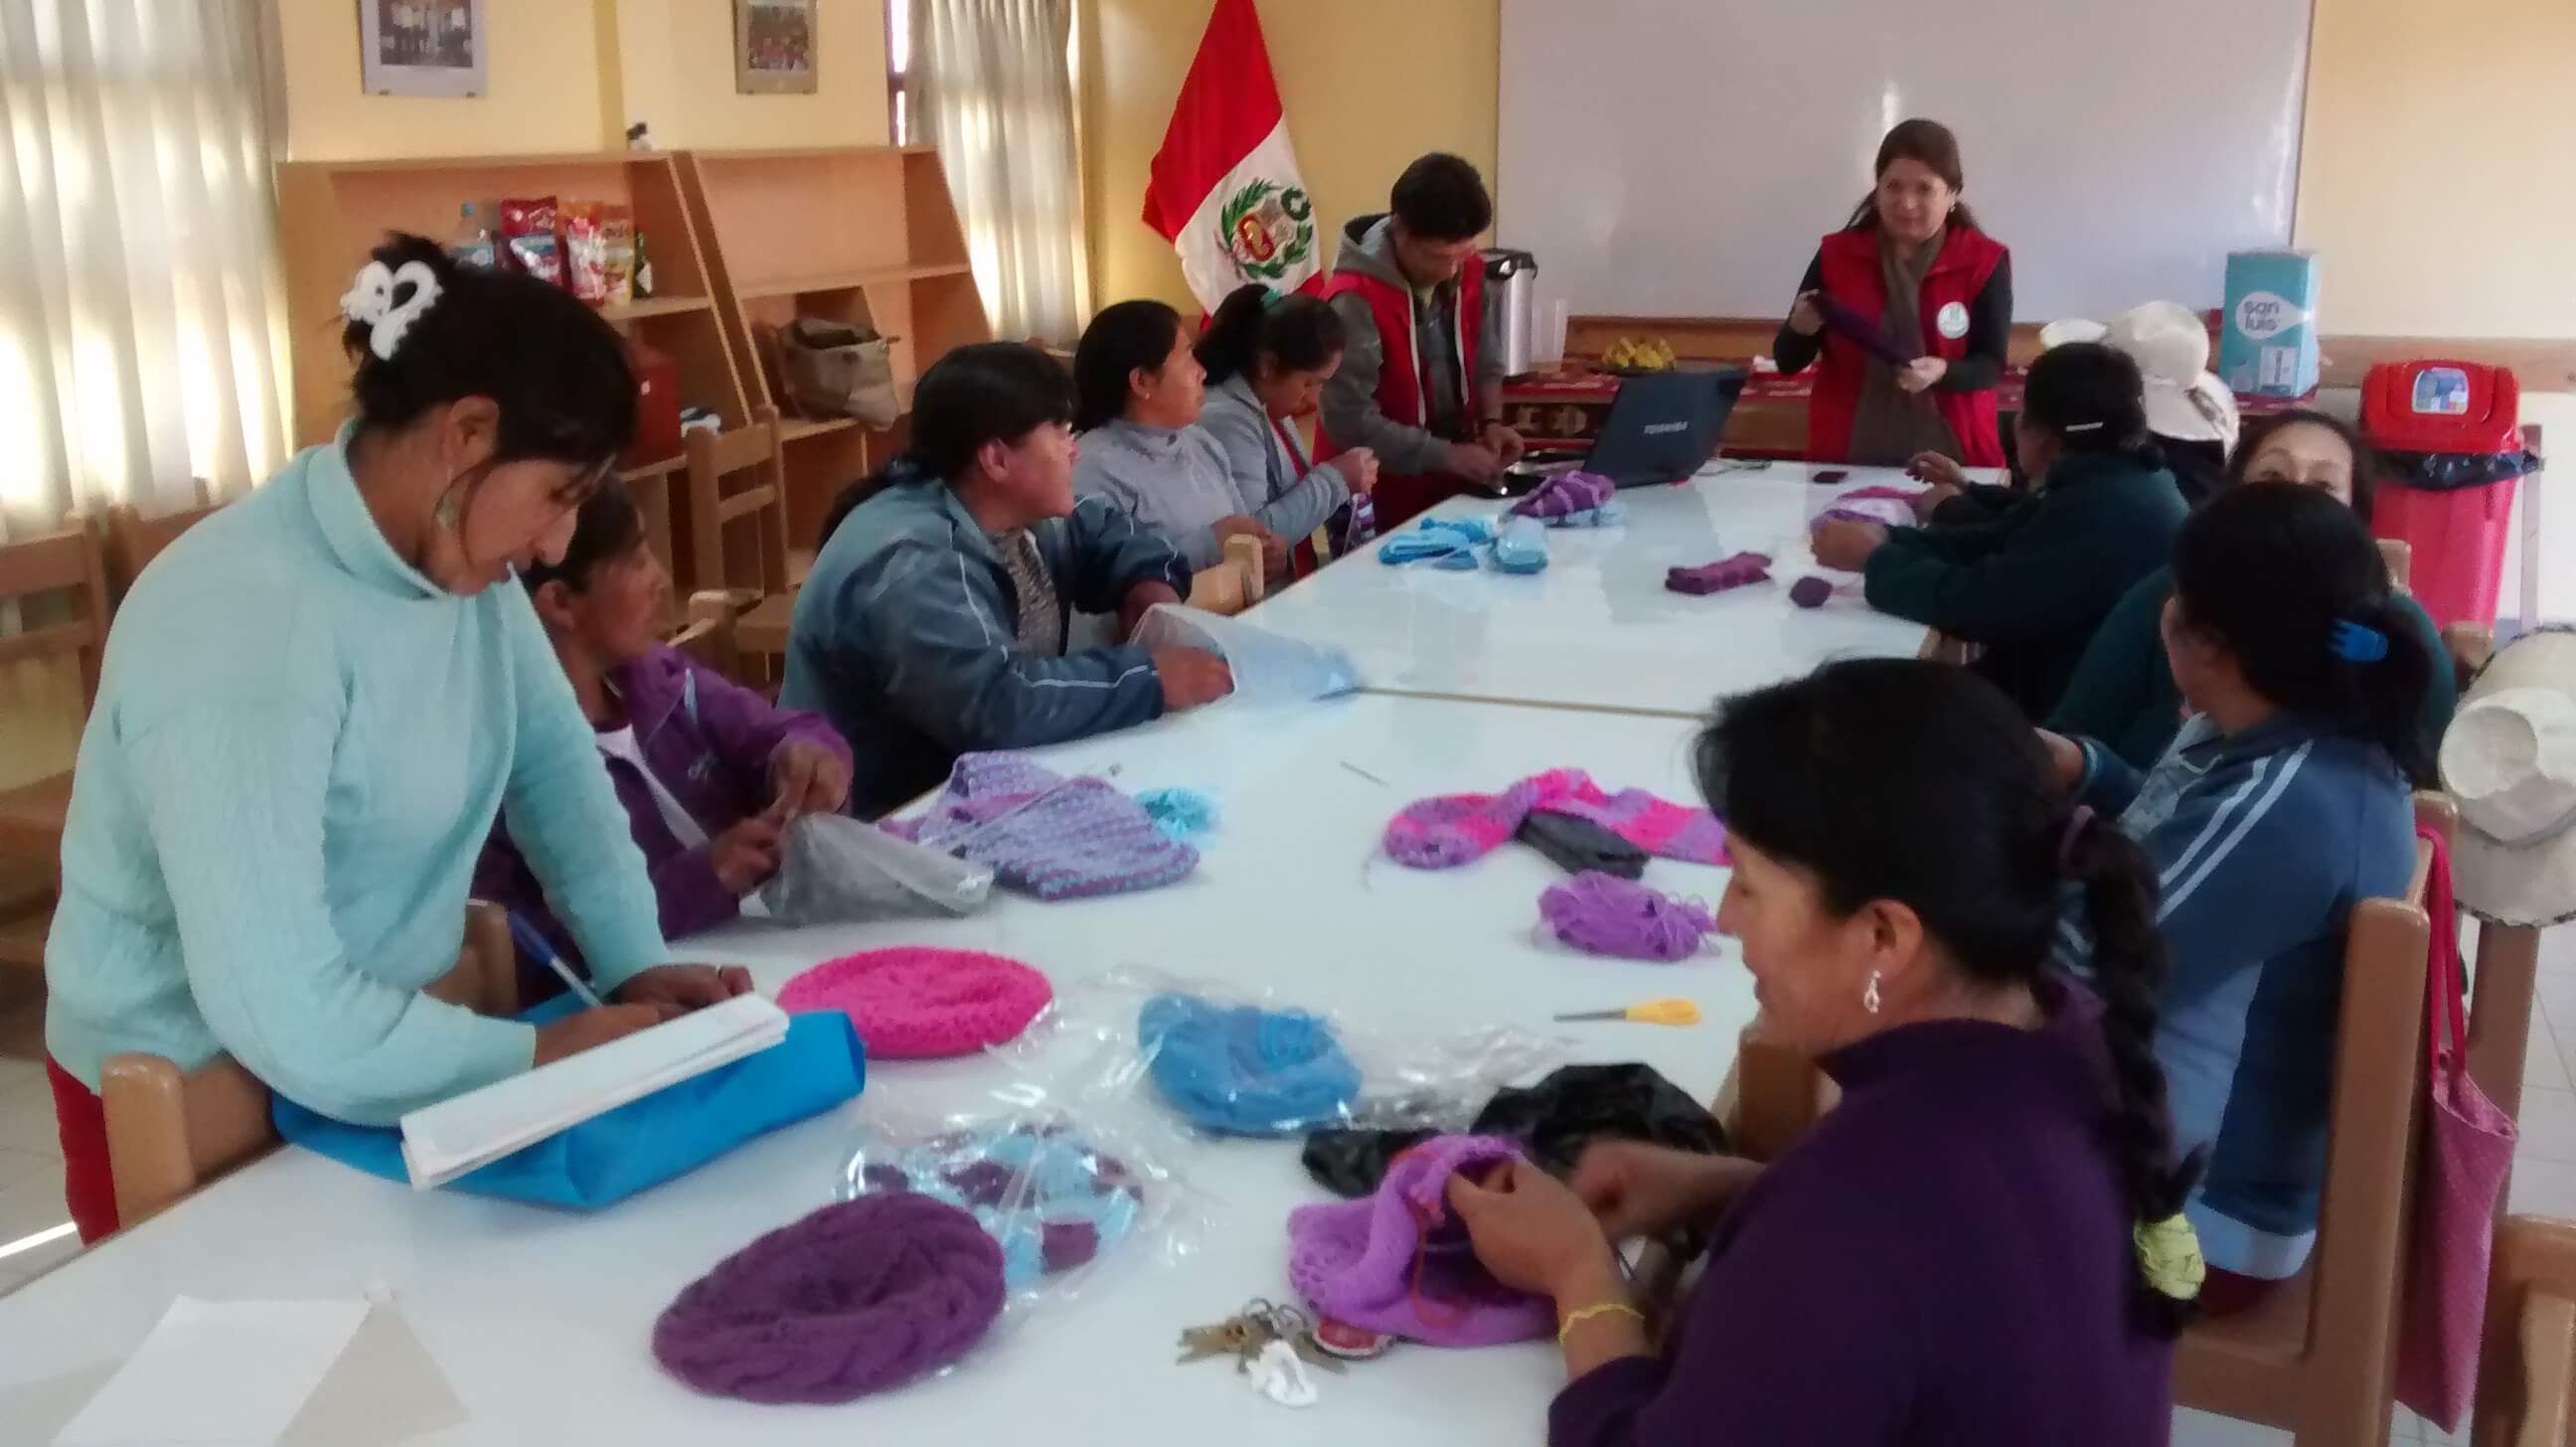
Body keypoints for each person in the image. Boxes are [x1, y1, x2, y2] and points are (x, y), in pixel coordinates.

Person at [42, 235, 748, 1243]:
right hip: (193, 1095)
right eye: (559, 494)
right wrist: (544, 1059)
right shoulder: (246, 624)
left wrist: (635, 960)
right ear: (467, 433)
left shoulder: (464, 573)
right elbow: (278, 1007)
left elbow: (561, 785)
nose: (556, 545)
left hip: (372, 1049)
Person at [1445, 658, 2193, 1445]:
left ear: (1883, 936)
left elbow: (1875, 1256)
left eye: (1748, 886)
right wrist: (1734, 1190)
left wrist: (1577, 1276)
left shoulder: (1854, 1214)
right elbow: (1951, 1279)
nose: (1725, 918)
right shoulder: (2070, 1032)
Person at [2042, 483, 2430, 1308]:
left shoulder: (2288, 802)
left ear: (2208, 642)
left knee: (1881, 1140)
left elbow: (2080, 969)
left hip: (2196, 1220)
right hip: (2207, 1160)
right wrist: (2093, 771)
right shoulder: (2293, 729)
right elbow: (2185, 840)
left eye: (2174, 591)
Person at [782, 342, 1232, 818]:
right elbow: (996, 705)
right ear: (996, 460)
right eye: (1059, 432)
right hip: (884, 825)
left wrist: (1148, 585)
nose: (1074, 449)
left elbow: (1104, 529)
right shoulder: (912, 561)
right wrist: (1149, 678)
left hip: (975, 794)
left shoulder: (1010, 508)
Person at [472, 482, 853, 993]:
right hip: (679, 996)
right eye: (635, 561)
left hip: (775, 956)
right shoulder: (503, 772)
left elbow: (782, 731)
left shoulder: (661, 679)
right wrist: (699, 880)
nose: (661, 580)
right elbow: (512, 959)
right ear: (560, 602)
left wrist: (810, 756)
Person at [2050, 408, 2456, 769]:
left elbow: (2425, 784)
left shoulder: (2391, 633)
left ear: (2356, 517)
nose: (2291, 494)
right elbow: (2080, 726)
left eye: (2323, 486)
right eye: (2271, 475)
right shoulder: (2172, 591)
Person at [1813, 341, 2186, 720]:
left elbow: (1983, 602)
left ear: (2038, 431)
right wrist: (1893, 539)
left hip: (2079, 720)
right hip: (2059, 673)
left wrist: (1875, 560)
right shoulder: (2120, 477)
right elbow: (2000, 537)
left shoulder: (2107, 507)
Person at [1774, 118, 2012, 469]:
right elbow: (1788, 360)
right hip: (1848, 455)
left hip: (1954, 458)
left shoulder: (1983, 261)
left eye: (1924, 189)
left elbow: (1989, 365)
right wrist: (1800, 328)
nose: (1906, 202)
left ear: (1952, 195)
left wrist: (1942, 371)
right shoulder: (1837, 255)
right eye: (1893, 186)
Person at [1318, 152, 1523, 528]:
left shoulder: (1469, 271)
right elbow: (1348, 420)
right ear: (1400, 229)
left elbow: (1487, 359)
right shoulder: (1353, 299)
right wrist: (1446, 455)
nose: (1451, 270)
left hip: (1447, 487)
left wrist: (1491, 421)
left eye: (1463, 254)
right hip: (1376, 496)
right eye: (1440, 257)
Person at [1911, 300, 2239, 524]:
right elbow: (2050, 509)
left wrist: (1950, 508)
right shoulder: (2152, 459)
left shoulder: (2137, 473)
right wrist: (1969, 487)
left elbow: (2047, 533)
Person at [1070, 298, 1288, 579]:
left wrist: (1265, 552)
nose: (1202, 371)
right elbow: (1101, 595)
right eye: (1188, 357)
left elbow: (1244, 534)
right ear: (1142, 382)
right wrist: (1210, 545)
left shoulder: (1202, 443)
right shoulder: (1095, 471)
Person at [1195, 283, 1380, 573]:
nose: (1315, 398)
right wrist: (1337, 479)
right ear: (1268, 365)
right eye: (1309, 383)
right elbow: (1254, 538)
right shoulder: (1227, 420)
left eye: (1323, 383)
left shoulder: (1269, 403)